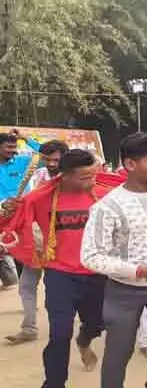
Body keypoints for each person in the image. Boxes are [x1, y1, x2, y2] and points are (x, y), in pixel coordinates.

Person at [0, 149, 121, 388]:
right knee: (59, 332)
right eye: (84, 177)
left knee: (98, 324)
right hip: (60, 274)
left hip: (98, 272)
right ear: (64, 176)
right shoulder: (39, 198)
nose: (92, 180)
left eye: (93, 174)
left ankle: (85, 339)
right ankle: (54, 383)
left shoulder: (108, 194)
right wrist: (7, 210)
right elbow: (9, 224)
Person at [81, 132, 147, 388]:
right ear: (130, 164)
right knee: (118, 354)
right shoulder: (107, 207)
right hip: (124, 289)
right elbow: (90, 257)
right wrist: (141, 270)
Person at [5, 140, 69, 345]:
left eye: (56, 160)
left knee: (57, 291)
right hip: (38, 240)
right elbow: (28, 203)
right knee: (26, 285)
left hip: (64, 244)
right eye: (47, 159)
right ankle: (29, 328)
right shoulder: (38, 176)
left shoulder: (73, 179)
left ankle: (71, 329)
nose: (51, 164)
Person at [0, 130, 41, 288]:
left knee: (24, 254)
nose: (13, 150)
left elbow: (47, 153)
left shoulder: (23, 162)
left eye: (14, 147)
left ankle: (23, 289)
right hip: (1, 215)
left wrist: (25, 138)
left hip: (22, 215)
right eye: (8, 147)